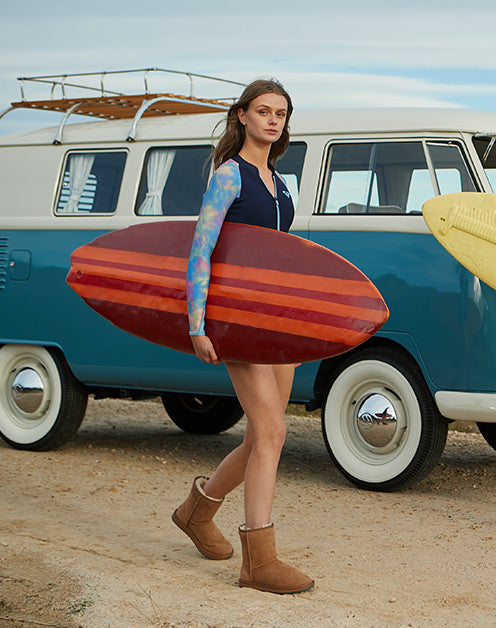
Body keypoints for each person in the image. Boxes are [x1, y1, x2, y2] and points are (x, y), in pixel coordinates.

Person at [171, 78, 314, 594]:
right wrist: (197, 322)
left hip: (278, 321)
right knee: (273, 432)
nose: (273, 121)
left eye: (281, 113)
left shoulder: (283, 183)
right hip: (237, 320)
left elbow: (283, 256)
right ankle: (259, 556)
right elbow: (200, 250)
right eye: (263, 111)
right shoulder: (228, 177)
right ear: (241, 117)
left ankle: (196, 511)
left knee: (261, 434)